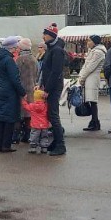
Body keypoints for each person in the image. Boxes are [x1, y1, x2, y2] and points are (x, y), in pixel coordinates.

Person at [0, 36, 26, 152]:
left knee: (1, 117)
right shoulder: (9, 60)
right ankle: (6, 145)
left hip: (0, 90)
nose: (17, 49)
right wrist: (23, 92)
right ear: (11, 48)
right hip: (9, 92)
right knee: (10, 118)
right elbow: (14, 79)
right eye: (16, 47)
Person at [40, 24, 67, 156]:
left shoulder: (57, 50)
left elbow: (55, 72)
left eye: (44, 34)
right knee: (51, 115)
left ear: (51, 35)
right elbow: (45, 69)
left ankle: (61, 144)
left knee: (53, 115)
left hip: (54, 87)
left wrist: (48, 89)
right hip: (50, 86)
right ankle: (56, 141)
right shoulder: (51, 49)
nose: (42, 36)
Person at [77, 35, 107, 132]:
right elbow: (86, 66)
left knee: (92, 101)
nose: (88, 43)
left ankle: (95, 122)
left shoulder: (98, 52)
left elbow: (90, 67)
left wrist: (82, 77)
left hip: (92, 78)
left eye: (90, 41)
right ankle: (94, 121)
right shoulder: (93, 51)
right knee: (90, 100)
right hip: (88, 78)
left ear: (95, 42)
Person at [16, 39, 38, 143]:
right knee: (30, 113)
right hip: (32, 88)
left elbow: (17, 75)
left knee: (21, 113)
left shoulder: (20, 59)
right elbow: (37, 72)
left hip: (22, 89)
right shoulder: (34, 58)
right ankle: (29, 134)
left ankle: (21, 134)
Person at [22, 89, 52, 153]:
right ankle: (44, 148)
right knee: (44, 136)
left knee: (34, 136)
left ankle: (33, 148)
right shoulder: (46, 106)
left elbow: (25, 106)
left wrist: (24, 100)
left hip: (35, 125)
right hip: (44, 125)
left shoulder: (32, 106)